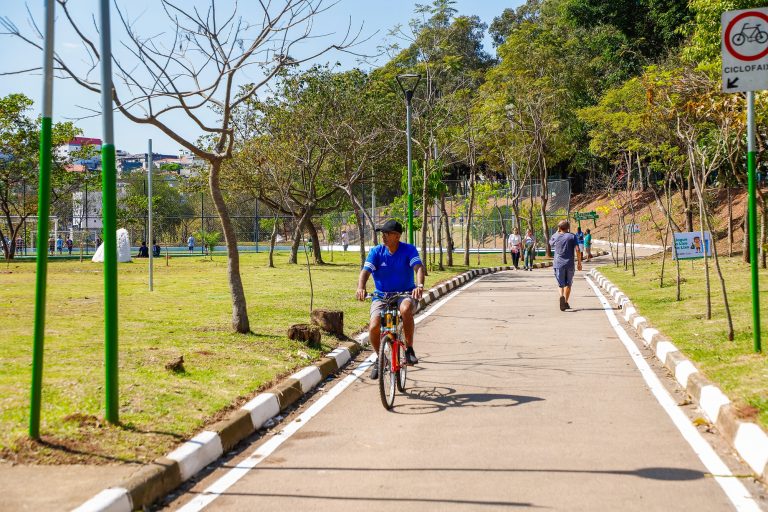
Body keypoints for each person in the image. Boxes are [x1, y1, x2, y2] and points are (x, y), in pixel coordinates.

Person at [356, 219, 425, 380]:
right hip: (382, 296)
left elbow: (418, 268)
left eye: (387, 234)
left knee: (405, 309)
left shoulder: (408, 250)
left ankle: (409, 349)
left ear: (397, 236)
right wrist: (361, 287)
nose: (383, 236)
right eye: (382, 233)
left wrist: (419, 286)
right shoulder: (377, 252)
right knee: (374, 326)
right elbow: (365, 271)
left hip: (405, 294)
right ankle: (381, 358)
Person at [549, 219, 583, 311]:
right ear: (568, 228)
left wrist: (558, 231)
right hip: (569, 264)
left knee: (560, 284)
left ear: (559, 227)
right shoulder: (572, 236)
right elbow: (577, 250)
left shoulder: (555, 235)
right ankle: (566, 302)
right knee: (569, 284)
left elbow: (550, 243)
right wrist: (579, 263)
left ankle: (561, 296)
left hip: (558, 264)